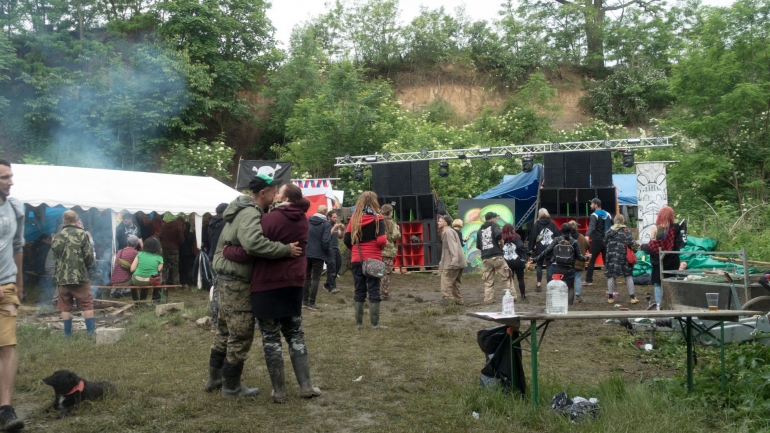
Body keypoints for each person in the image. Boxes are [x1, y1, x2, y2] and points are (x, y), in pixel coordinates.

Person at [222, 183, 321, 403]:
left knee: (271, 337)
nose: (274, 194)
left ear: (285, 199)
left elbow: (251, 248)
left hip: (267, 285)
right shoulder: (303, 220)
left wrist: (228, 250)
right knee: (295, 333)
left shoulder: (268, 220)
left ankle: (279, 392)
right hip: (294, 283)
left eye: (279, 192)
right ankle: (306, 386)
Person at [206, 174, 302, 398]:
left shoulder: (241, 209)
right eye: (274, 192)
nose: (275, 196)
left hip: (226, 277)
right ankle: (231, 387)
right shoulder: (250, 212)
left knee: (224, 330)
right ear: (263, 193)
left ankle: (215, 378)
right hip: (236, 281)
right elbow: (253, 243)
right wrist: (285, 250)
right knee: (241, 333)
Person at [0, 159, 25, 431]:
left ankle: (5, 409)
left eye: (10, 176)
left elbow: (18, 245)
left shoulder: (15, 207)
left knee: (7, 346)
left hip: (5, 288)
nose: (11, 182)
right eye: (5, 177)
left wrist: (18, 284)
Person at [343, 191, 387, 329]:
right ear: (374, 202)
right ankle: (375, 324)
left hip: (357, 258)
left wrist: (354, 251)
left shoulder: (354, 218)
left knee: (359, 289)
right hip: (373, 259)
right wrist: (382, 246)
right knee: (374, 289)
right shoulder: (378, 218)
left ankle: (359, 324)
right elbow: (381, 240)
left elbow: (346, 239)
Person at [51, 210, 96, 337]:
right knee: (87, 305)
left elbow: (56, 257)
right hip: (80, 277)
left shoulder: (56, 236)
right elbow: (88, 256)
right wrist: (89, 267)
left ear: (64, 221)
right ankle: (91, 334)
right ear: (76, 220)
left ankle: (67, 335)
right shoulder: (82, 234)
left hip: (62, 277)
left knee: (65, 306)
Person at [533, 223, 590, 306]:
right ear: (570, 231)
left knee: (555, 287)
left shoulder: (556, 239)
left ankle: (556, 303)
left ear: (561, 230)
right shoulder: (574, 242)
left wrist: (535, 259)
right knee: (570, 287)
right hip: (569, 268)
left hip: (556, 267)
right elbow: (580, 257)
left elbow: (546, 251)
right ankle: (569, 305)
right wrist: (587, 257)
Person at [644, 205, 681, 307]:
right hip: (673, 260)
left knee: (658, 284)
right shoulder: (676, 228)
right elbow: (679, 244)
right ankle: (672, 305)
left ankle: (659, 306)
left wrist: (643, 247)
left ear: (660, 215)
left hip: (659, 261)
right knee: (671, 283)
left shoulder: (655, 228)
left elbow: (652, 246)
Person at [476, 212, 511, 303]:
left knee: (488, 280)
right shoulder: (494, 225)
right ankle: (512, 296)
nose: (496, 219)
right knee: (506, 277)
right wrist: (501, 244)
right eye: (495, 218)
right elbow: (498, 235)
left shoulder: (480, 230)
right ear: (492, 218)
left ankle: (488, 299)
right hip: (496, 256)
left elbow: (478, 245)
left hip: (486, 258)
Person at [604, 214, 638, 304]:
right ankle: (632, 298)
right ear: (623, 220)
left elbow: (604, 242)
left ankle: (610, 298)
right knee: (628, 276)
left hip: (612, 257)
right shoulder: (626, 230)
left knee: (611, 276)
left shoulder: (609, 231)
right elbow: (631, 243)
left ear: (615, 220)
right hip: (624, 257)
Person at [304, 205, 331, 310]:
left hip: (307, 252)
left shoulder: (308, 221)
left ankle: (304, 301)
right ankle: (311, 302)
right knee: (316, 278)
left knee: (306, 277)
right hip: (318, 254)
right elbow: (326, 241)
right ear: (325, 212)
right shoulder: (326, 224)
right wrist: (327, 253)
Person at [438, 215, 466, 305]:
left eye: (440, 221)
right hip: (458, 261)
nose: (438, 222)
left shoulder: (448, 232)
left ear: (445, 223)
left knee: (446, 283)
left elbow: (453, 247)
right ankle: (458, 301)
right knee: (455, 284)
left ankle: (449, 302)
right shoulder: (450, 231)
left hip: (452, 263)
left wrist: (454, 262)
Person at [528, 208, 559, 291]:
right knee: (549, 266)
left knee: (539, 265)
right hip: (550, 248)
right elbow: (557, 235)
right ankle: (549, 285)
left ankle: (539, 284)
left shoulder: (536, 224)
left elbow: (533, 237)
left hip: (539, 248)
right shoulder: (552, 223)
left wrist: (531, 249)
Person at [584, 198, 612, 286]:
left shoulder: (594, 215)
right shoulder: (608, 214)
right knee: (606, 261)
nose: (590, 205)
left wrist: (587, 235)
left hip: (596, 241)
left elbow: (591, 226)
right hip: (606, 241)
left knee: (591, 260)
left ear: (596, 205)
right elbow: (612, 227)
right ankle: (611, 281)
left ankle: (589, 280)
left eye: (592, 204)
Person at [129, 237, 163, 301]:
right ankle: (155, 300)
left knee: (132, 282)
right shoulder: (159, 258)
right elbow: (159, 275)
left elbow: (132, 269)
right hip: (150, 281)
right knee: (158, 280)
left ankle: (136, 301)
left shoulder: (140, 254)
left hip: (137, 280)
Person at [502, 223, 530, 301]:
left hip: (507, 262)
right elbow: (520, 246)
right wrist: (528, 252)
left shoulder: (502, 238)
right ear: (512, 229)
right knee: (520, 279)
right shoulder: (515, 237)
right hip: (517, 261)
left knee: (510, 280)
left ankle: (511, 295)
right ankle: (523, 296)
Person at [379, 204, 401, 301]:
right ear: (389, 212)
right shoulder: (391, 222)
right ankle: (384, 293)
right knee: (386, 273)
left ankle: (376, 291)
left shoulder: (378, 221)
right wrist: (398, 230)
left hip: (378, 250)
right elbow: (396, 235)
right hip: (388, 250)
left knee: (378, 272)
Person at [159, 216, 185, 286]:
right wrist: (177, 242)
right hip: (174, 249)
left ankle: (163, 283)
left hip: (165, 248)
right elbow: (182, 240)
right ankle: (176, 284)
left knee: (165, 266)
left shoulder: (165, 226)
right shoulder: (178, 227)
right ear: (180, 222)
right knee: (175, 267)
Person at [568, 220, 590, 303]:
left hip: (568, 262)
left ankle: (568, 295)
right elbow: (588, 246)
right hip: (579, 262)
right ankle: (577, 295)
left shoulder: (566, 238)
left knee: (568, 278)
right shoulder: (581, 237)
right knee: (578, 278)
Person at [324, 210, 344, 294]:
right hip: (329, 248)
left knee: (338, 265)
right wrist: (335, 227)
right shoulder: (326, 225)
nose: (335, 219)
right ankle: (332, 287)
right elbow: (327, 235)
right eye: (334, 217)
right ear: (329, 217)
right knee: (332, 267)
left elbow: (340, 236)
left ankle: (327, 284)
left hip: (336, 247)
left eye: (336, 217)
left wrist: (342, 230)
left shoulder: (335, 225)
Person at [179, 222, 198, 286]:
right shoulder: (180, 234)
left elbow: (191, 242)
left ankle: (186, 281)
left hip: (187, 253)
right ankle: (182, 280)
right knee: (181, 267)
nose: (184, 228)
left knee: (186, 268)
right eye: (183, 226)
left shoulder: (191, 235)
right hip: (181, 252)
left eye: (185, 226)